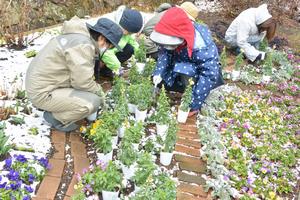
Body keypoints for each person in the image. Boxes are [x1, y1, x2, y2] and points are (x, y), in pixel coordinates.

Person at [25, 16, 123, 132]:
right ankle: (55, 118)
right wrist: (100, 93)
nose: (107, 49)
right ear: (102, 38)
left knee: (88, 93)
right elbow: (82, 82)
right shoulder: (83, 45)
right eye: (108, 46)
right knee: (93, 102)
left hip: (42, 84)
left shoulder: (79, 38)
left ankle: (58, 106)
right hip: (42, 93)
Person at [150, 7, 223, 117]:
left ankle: (190, 93)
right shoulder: (172, 30)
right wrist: (158, 73)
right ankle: (181, 86)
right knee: (171, 71)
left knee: (183, 69)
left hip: (201, 76)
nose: (167, 46)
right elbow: (165, 53)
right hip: (183, 64)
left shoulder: (202, 47)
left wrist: (193, 105)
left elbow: (209, 75)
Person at [94, 6, 144, 78]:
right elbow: (106, 52)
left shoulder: (127, 34)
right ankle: (102, 72)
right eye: (128, 31)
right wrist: (117, 67)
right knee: (101, 61)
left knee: (130, 48)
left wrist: (140, 56)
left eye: (131, 33)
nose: (128, 34)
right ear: (122, 24)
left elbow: (133, 42)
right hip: (101, 55)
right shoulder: (111, 30)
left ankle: (108, 71)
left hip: (111, 53)